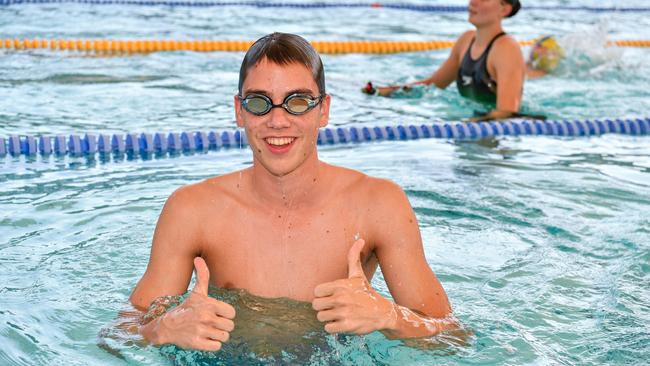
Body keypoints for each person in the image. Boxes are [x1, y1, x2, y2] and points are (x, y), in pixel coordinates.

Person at [123, 32, 455, 352]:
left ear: (323, 110)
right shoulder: (193, 210)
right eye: (259, 102)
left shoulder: (378, 205)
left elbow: (452, 337)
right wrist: (161, 328)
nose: (278, 120)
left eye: (297, 102)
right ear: (240, 112)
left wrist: (390, 316)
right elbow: (120, 333)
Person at [365, 0, 527, 121]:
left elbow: (507, 112)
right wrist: (384, 91)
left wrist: (465, 123)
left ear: (504, 9)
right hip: (472, 124)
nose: (473, 2)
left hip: (495, 139)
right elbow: (434, 84)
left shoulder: (506, 49)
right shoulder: (466, 40)